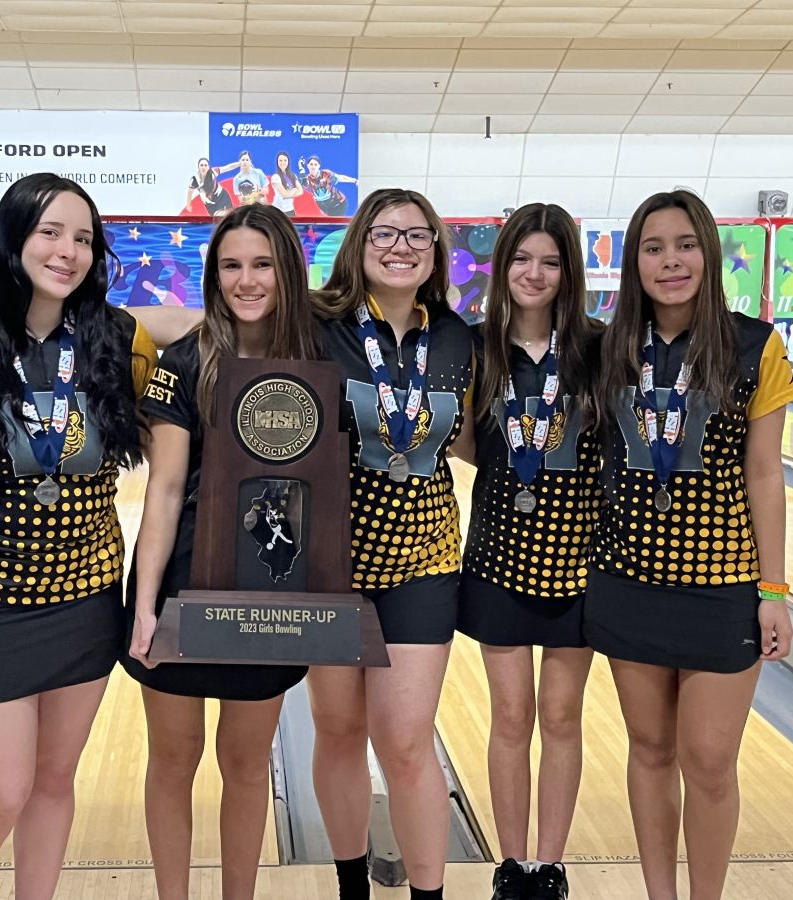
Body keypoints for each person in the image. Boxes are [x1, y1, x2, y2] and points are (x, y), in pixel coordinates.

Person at [0, 173, 157, 900]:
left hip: (84, 595)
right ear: (13, 237)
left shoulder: (116, 337)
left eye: (83, 238)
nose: (68, 250)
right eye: (51, 232)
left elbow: (203, 323)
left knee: (54, 782)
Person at [586, 190, 793, 900]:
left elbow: (765, 474)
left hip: (723, 583)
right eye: (653, 247)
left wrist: (775, 592)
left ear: (707, 252)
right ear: (633, 261)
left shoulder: (754, 345)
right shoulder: (609, 346)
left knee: (707, 759)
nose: (670, 260)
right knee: (648, 750)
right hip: (628, 577)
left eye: (684, 244)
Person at [124, 203, 319, 900]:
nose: (246, 279)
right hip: (184, 582)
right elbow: (167, 489)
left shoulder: (315, 358)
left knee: (246, 761)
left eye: (262, 263)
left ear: (288, 271)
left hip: (271, 583)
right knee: (174, 760)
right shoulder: (185, 362)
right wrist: (144, 608)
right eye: (231, 265)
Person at [310, 188, 474, 900]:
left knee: (406, 740)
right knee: (339, 731)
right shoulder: (319, 327)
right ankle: (352, 888)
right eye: (385, 233)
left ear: (435, 251)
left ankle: (428, 895)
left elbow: (472, 440)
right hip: (329, 562)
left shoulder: (460, 338)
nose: (401, 246)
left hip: (423, 560)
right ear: (358, 243)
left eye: (418, 235)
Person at [459, 204, 603, 900]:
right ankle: (511, 867)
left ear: (567, 271)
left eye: (549, 261)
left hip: (579, 562)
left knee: (563, 716)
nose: (534, 273)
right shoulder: (474, 348)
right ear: (502, 266)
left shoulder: (601, 351)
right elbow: (458, 441)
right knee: (511, 716)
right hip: (498, 558)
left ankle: (551, 866)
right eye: (522, 259)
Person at [270, 150, 304, 216]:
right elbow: (284, 194)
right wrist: (294, 189)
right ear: (277, 162)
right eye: (280, 160)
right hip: (277, 211)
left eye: (285, 160)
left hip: (290, 210)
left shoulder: (293, 175)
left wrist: (288, 193)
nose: (283, 162)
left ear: (288, 161)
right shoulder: (275, 177)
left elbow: (300, 191)